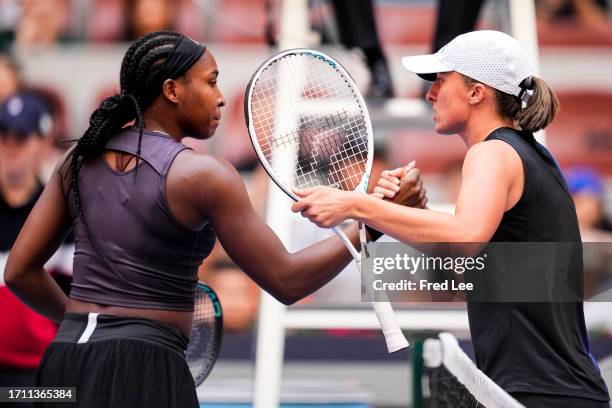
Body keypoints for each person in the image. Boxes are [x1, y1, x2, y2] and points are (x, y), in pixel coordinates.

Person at [3, 31, 425, 407]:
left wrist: (85, 326)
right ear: (171, 90)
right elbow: (287, 282)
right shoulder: (203, 175)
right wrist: (376, 220)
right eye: (210, 81)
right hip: (146, 367)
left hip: (63, 364)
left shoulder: (76, 161)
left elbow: (20, 273)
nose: (221, 96)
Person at [292, 30, 610, 406]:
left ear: (477, 92)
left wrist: (357, 205)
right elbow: (471, 261)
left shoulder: (492, 152)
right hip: (549, 391)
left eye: (440, 82)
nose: (429, 94)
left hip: (541, 393)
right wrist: (411, 215)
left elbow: (466, 236)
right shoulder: (528, 156)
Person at [0, 92, 72, 408]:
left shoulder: (61, 215)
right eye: (3, 136)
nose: (10, 146)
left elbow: (77, 304)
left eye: (22, 137)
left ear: (43, 144)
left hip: (42, 375)